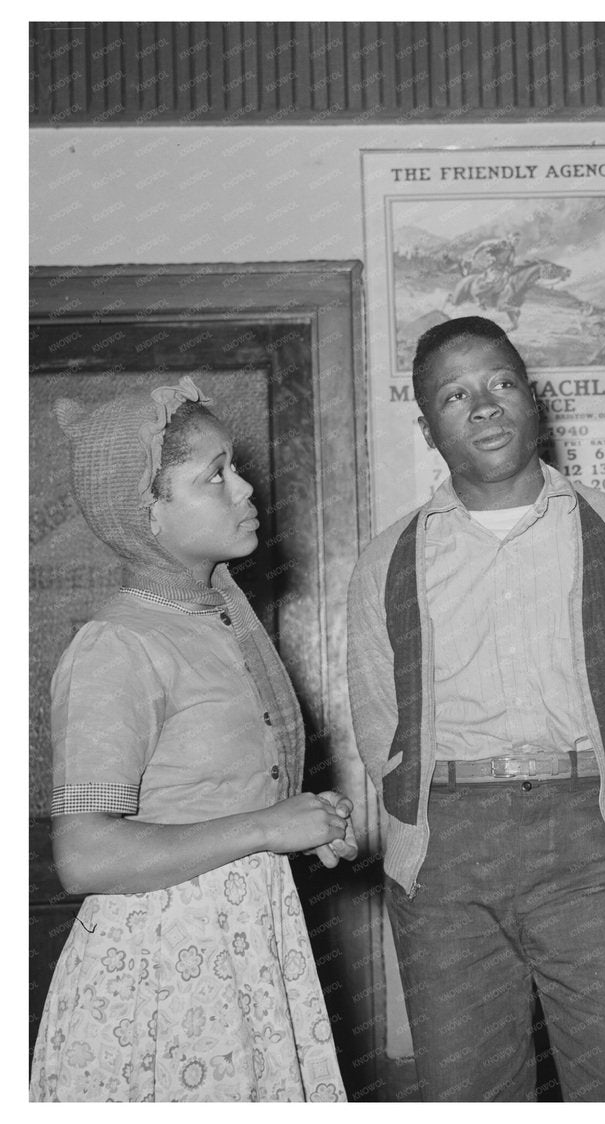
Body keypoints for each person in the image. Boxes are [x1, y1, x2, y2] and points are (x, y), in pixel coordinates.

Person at [346, 315, 605, 1101]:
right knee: (470, 1092)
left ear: (533, 400)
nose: (483, 406)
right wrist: (416, 833)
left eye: (501, 383)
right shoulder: (388, 559)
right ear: (428, 428)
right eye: (454, 395)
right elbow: (376, 717)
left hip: (591, 842)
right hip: (447, 855)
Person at [31, 378, 355, 1102]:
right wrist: (266, 826)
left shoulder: (216, 619)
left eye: (233, 467)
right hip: (165, 964)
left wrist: (301, 822)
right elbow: (84, 855)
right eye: (215, 475)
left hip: (245, 942)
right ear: (147, 511)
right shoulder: (118, 645)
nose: (245, 488)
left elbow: (213, 794)